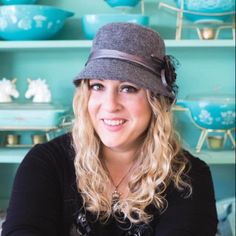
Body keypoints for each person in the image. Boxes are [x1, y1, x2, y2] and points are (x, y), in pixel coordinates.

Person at [2, 23, 218, 236]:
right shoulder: (46, 163)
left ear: (156, 102)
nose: (110, 104)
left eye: (128, 88)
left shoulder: (189, 176)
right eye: (98, 86)